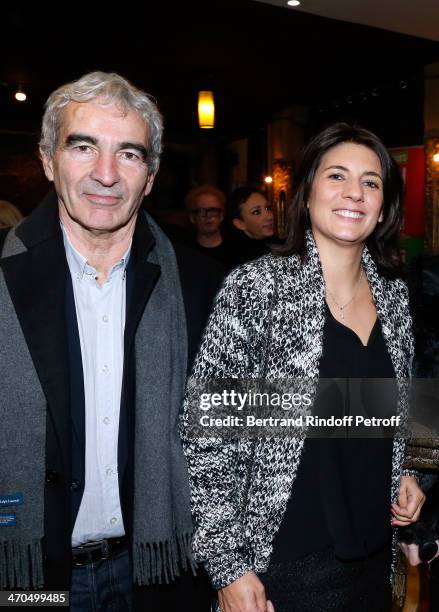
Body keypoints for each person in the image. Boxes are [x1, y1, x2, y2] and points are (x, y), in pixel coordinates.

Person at [182, 123, 426, 611]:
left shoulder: (395, 298)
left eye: (371, 182)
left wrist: (402, 473)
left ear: (384, 208)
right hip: (283, 567)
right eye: (337, 176)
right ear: (308, 193)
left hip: (373, 560)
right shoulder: (256, 289)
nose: (354, 192)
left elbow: (376, 414)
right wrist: (229, 567)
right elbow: (208, 439)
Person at [0, 71, 219, 611]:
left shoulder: (202, 286)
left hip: (156, 572)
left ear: (150, 176)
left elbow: (247, 425)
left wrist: (390, 439)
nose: (105, 174)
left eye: (129, 154)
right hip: (29, 581)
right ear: (49, 161)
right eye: (83, 147)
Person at [227, 185, 275, 267]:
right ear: (240, 224)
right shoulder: (236, 262)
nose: (269, 216)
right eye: (256, 212)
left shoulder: (282, 247)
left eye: (268, 208)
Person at [185, 185, 230, 268]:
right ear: (192, 217)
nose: (208, 216)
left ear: (222, 215)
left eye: (213, 210)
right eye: (201, 211)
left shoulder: (236, 250)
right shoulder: (185, 252)